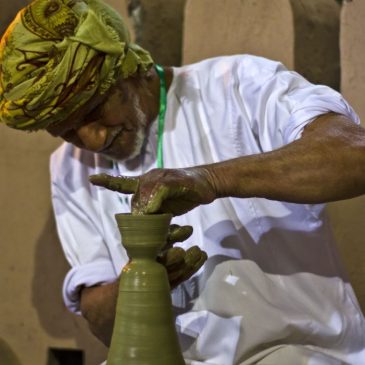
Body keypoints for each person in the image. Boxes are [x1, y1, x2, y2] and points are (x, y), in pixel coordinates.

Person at [1, 0, 365, 363]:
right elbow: (99, 318)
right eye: (68, 132)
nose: (93, 140)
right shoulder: (70, 167)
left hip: (296, 353)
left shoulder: (238, 85)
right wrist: (142, 280)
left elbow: (355, 154)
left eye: (95, 110)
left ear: (126, 67)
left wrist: (212, 179)